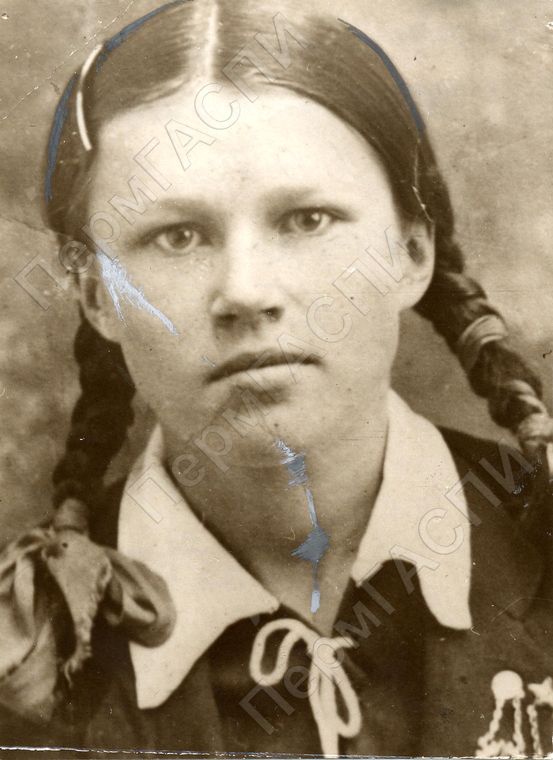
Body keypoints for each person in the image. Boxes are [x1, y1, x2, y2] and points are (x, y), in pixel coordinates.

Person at [1, 0, 553, 756]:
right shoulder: (21, 657)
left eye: (306, 220)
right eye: (177, 236)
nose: (246, 292)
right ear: (96, 293)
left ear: (411, 251)